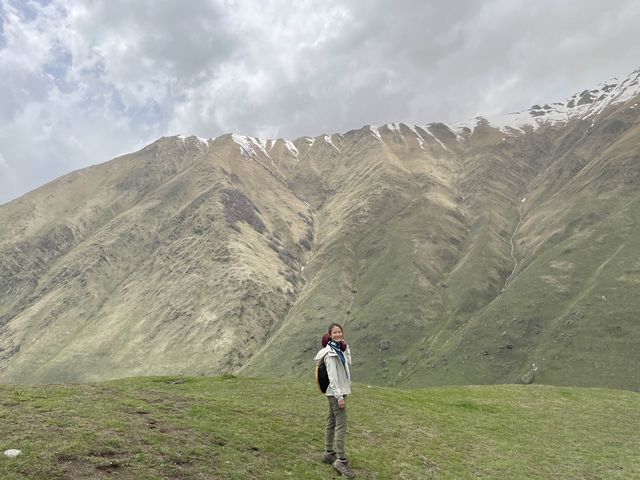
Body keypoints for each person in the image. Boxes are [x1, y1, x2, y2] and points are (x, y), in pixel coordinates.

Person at [314, 323, 355, 479]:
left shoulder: (339, 349)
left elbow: (349, 361)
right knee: (341, 424)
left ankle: (328, 452)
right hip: (336, 393)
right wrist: (339, 397)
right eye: (335, 332)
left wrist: (346, 347)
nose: (338, 334)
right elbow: (332, 377)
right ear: (330, 335)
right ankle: (341, 460)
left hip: (337, 392)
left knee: (331, 421)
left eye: (340, 332)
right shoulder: (330, 353)